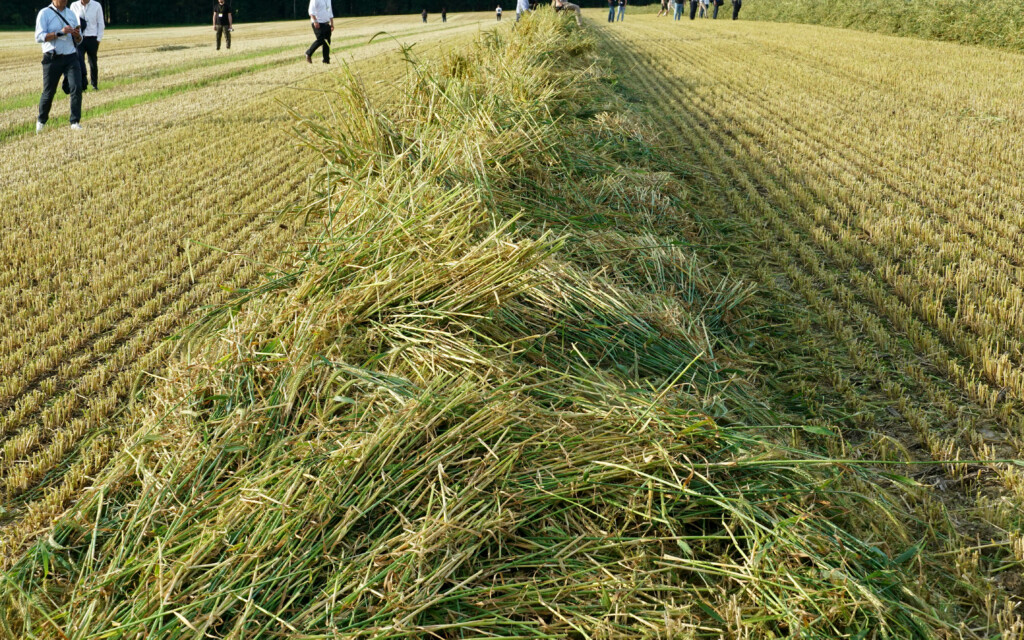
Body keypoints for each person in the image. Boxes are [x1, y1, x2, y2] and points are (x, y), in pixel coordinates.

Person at [35, 0, 83, 132]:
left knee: (76, 87)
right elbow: (38, 37)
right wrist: (59, 33)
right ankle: (41, 121)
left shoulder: (72, 14)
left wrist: (77, 35)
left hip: (71, 57)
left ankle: (75, 122)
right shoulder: (44, 13)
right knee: (49, 92)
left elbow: (80, 39)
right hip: (52, 58)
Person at [69, 0, 102, 91]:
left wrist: (98, 39)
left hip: (92, 38)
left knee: (93, 62)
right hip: (79, 39)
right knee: (79, 62)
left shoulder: (97, 5)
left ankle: (94, 84)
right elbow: (71, 21)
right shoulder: (74, 5)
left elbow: (100, 23)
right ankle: (83, 85)